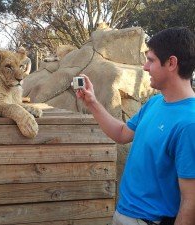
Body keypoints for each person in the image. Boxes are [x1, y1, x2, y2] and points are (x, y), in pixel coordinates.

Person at [76, 27, 195, 225]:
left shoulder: (189, 124)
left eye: (151, 60)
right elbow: (122, 133)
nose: (145, 67)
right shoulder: (155, 102)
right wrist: (92, 102)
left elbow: (191, 201)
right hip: (124, 213)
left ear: (172, 63)